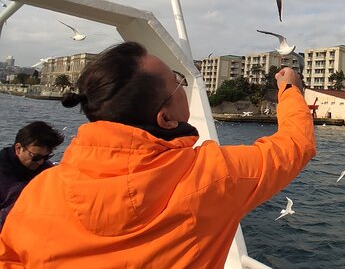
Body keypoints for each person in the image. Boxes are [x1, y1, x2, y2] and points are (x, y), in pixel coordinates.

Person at [0, 42, 316, 267]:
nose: (183, 83)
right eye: (177, 81)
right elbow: (294, 145)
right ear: (165, 118)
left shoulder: (38, 191)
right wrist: (289, 90)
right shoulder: (214, 177)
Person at [0, 122, 64, 229]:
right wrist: (25, 205)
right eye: (35, 157)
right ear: (18, 148)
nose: (40, 162)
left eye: (47, 156)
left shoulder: (47, 170)